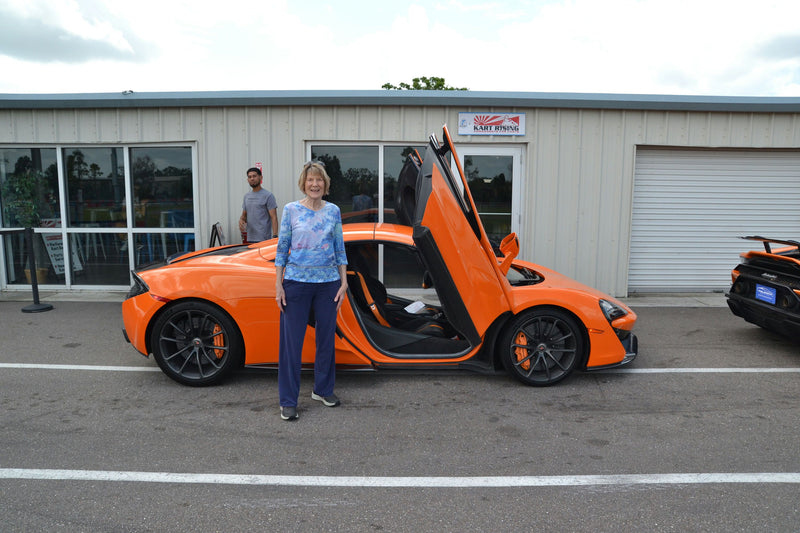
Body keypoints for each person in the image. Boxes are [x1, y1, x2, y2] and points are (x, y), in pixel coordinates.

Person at [274, 161, 348, 421]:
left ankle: (323, 389)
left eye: (319, 180)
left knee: (326, 340)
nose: (315, 184)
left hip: (328, 284)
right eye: (310, 180)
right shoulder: (291, 210)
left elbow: (340, 248)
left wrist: (344, 282)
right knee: (291, 345)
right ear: (304, 184)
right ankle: (288, 400)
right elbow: (282, 248)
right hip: (296, 284)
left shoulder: (333, 211)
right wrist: (278, 285)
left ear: (325, 185)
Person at [239, 167, 278, 243]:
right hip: (249, 238)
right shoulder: (246, 196)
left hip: (264, 239)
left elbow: (274, 217)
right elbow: (244, 215)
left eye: (254, 176)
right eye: (249, 177)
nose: (252, 179)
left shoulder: (268, 196)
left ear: (261, 177)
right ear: (247, 180)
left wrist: (275, 236)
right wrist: (241, 220)